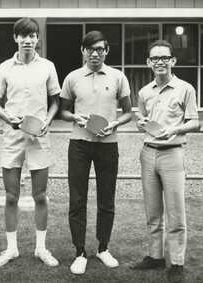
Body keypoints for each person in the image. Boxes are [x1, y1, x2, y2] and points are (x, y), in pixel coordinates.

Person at [59, 30, 132, 275]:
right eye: (90, 49)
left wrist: (114, 124)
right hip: (79, 143)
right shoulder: (72, 77)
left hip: (108, 144)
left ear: (106, 51)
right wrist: (75, 117)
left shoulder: (118, 76)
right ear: (83, 51)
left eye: (100, 49)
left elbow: (129, 112)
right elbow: (63, 111)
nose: (95, 53)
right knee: (77, 199)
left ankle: (103, 248)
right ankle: (79, 251)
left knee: (106, 198)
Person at [0, 17, 61, 267]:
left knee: (40, 195)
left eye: (32, 35)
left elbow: (55, 101)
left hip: (39, 138)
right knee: (11, 196)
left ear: (37, 39)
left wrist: (47, 121)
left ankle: (41, 249)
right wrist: (7, 116)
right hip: (12, 137)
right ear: (16, 38)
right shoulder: (4, 68)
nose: (28, 40)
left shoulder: (48, 66)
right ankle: (11, 249)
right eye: (23, 35)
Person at [130, 40, 200, 282]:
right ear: (149, 63)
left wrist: (175, 130)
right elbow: (142, 119)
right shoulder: (144, 92)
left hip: (172, 153)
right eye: (155, 58)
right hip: (148, 154)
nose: (160, 62)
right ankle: (155, 256)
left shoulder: (185, 89)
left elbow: (195, 122)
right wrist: (140, 122)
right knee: (153, 212)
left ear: (173, 61)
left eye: (164, 58)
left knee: (176, 212)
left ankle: (177, 262)